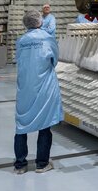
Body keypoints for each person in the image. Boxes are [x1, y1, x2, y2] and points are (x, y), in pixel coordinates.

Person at [14, 10, 62, 175]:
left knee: (21, 126)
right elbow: (54, 59)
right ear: (40, 22)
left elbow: (19, 60)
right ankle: (42, 164)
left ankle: (20, 165)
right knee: (45, 125)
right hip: (44, 86)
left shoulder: (21, 41)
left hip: (25, 87)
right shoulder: (47, 38)